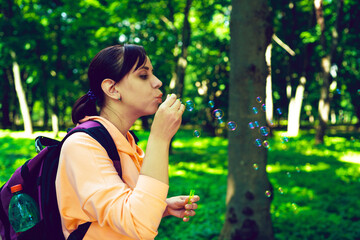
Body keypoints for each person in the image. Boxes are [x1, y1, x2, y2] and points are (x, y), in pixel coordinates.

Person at [55, 44, 200, 239]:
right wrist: (159, 137)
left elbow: (123, 212)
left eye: (153, 74)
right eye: (143, 75)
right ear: (112, 89)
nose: (157, 82)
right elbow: (138, 224)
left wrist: (161, 207)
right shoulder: (82, 146)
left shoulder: (127, 142)